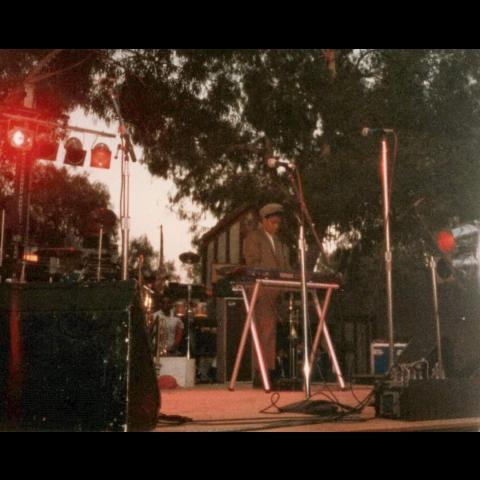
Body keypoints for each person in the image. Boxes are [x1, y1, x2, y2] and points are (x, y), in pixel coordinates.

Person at [243, 203, 291, 387]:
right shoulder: (253, 238)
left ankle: (269, 370)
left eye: (278, 223)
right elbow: (253, 264)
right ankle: (261, 372)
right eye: (273, 223)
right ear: (263, 221)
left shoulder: (280, 243)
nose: (276, 226)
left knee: (272, 333)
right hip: (262, 290)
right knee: (264, 332)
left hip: (277, 291)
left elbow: (286, 268)